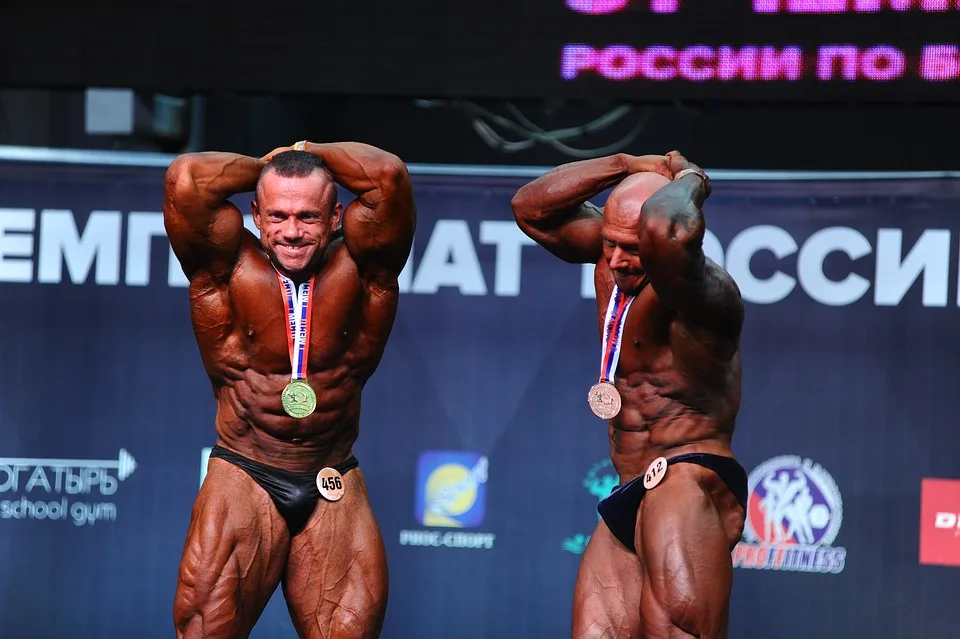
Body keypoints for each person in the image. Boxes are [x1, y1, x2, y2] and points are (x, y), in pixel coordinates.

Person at [163, 140, 416, 639]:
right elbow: (186, 178)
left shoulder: (366, 267)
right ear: (255, 213)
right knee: (204, 629)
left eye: (308, 216)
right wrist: (267, 165)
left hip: (332, 476)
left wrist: (307, 150)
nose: (292, 232)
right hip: (244, 471)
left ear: (336, 215)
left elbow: (388, 176)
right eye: (277, 215)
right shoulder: (225, 266)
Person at [511, 151, 747, 639]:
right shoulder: (614, 258)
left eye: (633, 249)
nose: (617, 260)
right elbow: (530, 209)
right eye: (610, 244)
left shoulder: (700, 294)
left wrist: (690, 177)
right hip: (628, 485)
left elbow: (665, 229)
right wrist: (623, 164)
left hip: (687, 475)